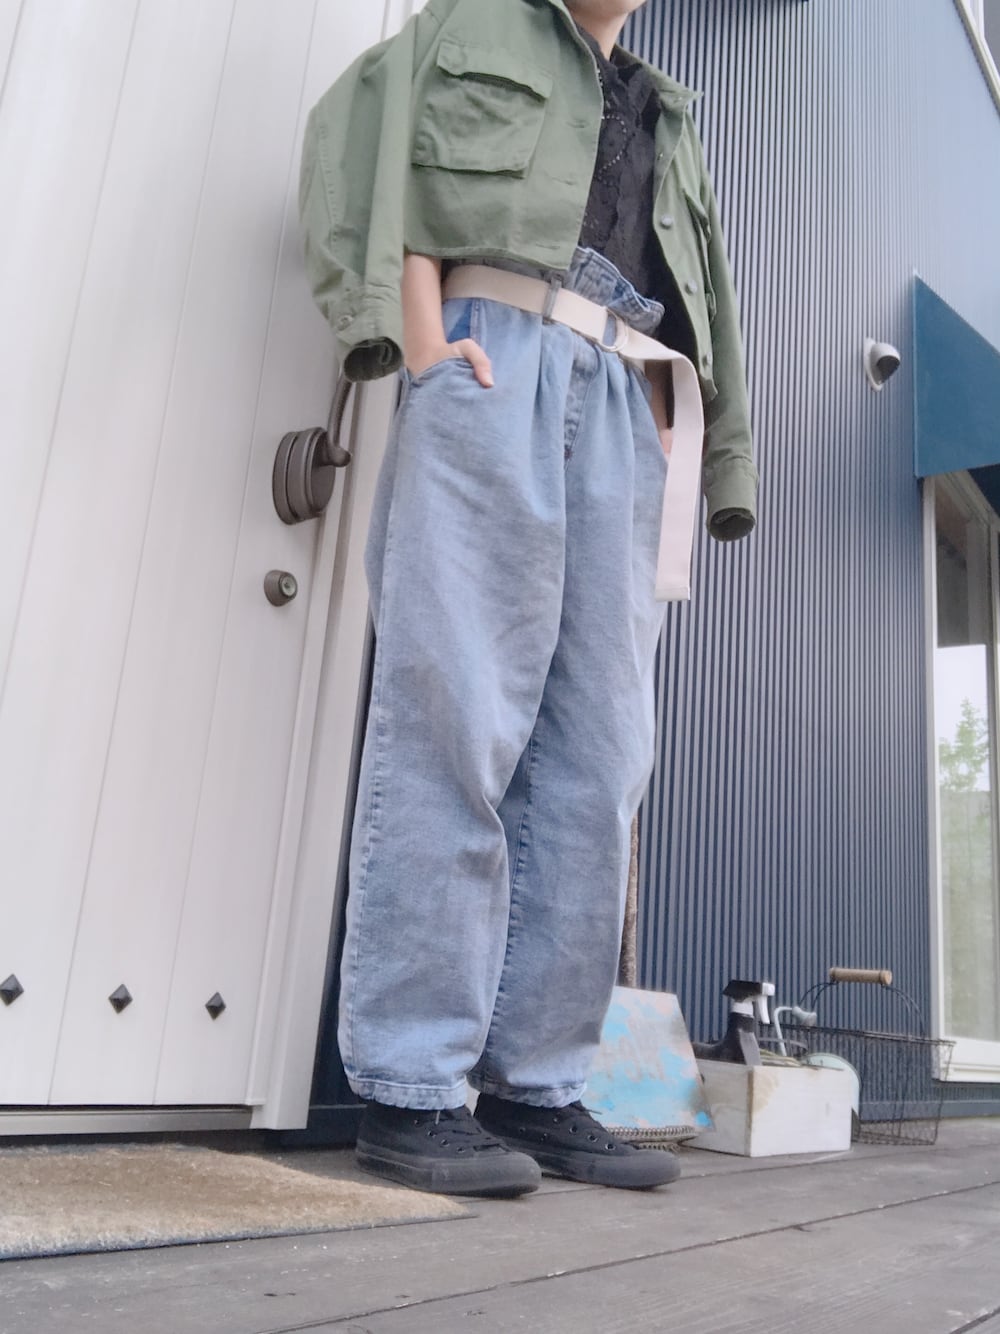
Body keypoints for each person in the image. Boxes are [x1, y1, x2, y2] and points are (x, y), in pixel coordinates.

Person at [299, 0, 757, 1198]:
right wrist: (416, 338)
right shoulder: (471, 27)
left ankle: (538, 1084)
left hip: (622, 391)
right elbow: (366, 146)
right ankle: (409, 1086)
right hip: (490, 352)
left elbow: (704, 295)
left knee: (600, 757)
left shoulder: (665, 109)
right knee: (454, 713)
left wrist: (694, 443)